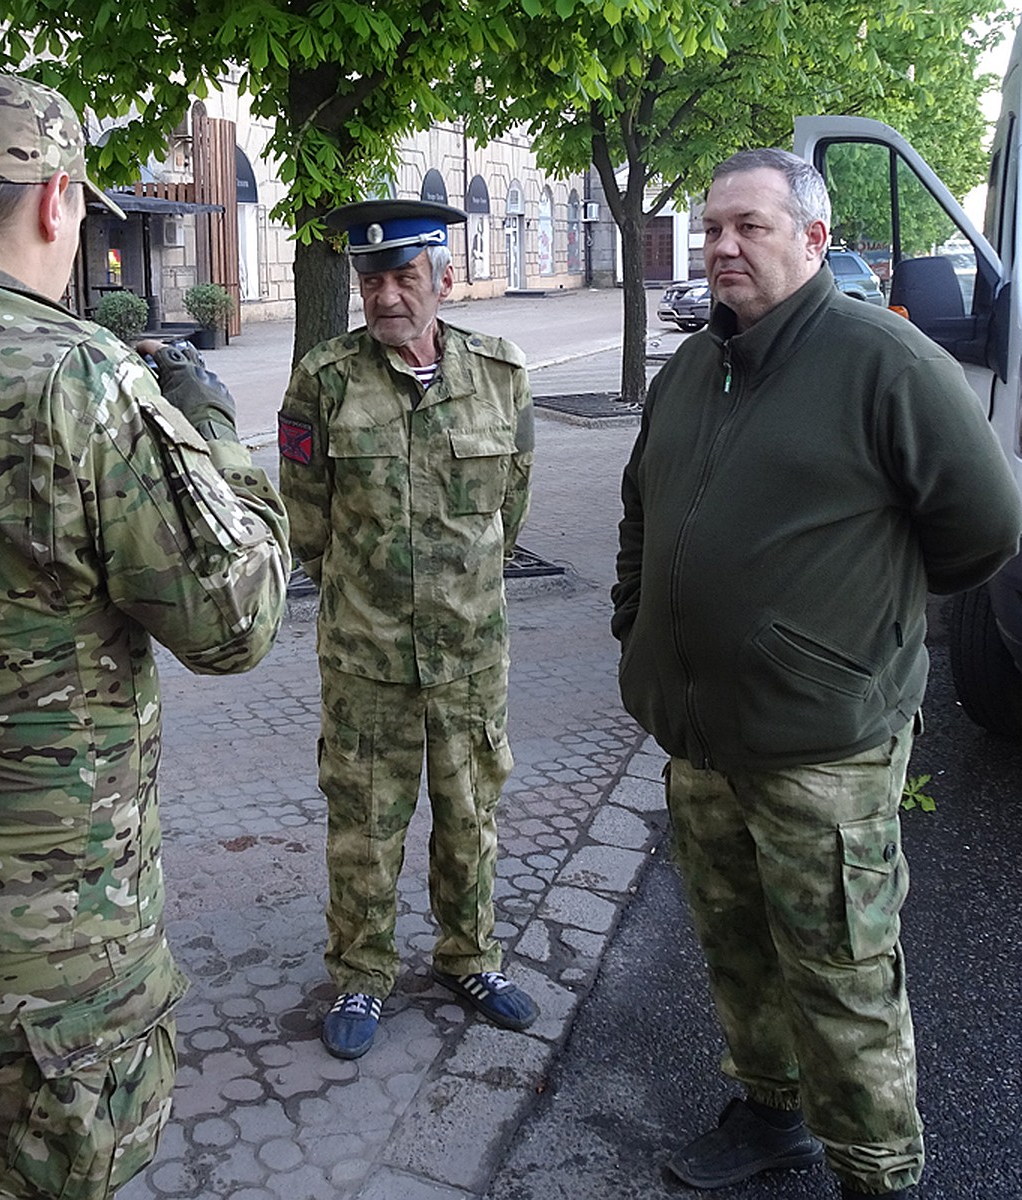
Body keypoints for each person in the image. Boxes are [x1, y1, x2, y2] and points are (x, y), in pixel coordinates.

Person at [0, 71, 290, 1199]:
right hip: (50, 938)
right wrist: (214, 434)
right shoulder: (77, 378)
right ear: (56, 204)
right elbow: (238, 623)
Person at [611, 148, 1022, 1199]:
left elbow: (984, 529)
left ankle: (877, 1171)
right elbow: (644, 516)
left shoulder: (885, 362)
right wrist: (638, 631)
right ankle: (768, 1113)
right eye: (711, 229)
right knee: (736, 948)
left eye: (750, 225)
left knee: (843, 979)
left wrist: (853, 630)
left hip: (824, 752)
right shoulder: (695, 369)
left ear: (814, 239)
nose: (724, 246)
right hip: (703, 742)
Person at [277, 199, 538, 1059]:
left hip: (470, 657)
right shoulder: (324, 378)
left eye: (404, 277)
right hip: (365, 658)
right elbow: (305, 517)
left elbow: (513, 505)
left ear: (443, 280)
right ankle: (360, 973)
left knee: (471, 816)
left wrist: (457, 591)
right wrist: (363, 594)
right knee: (363, 825)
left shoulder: (500, 374)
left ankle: (470, 957)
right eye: (371, 280)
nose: (386, 296)